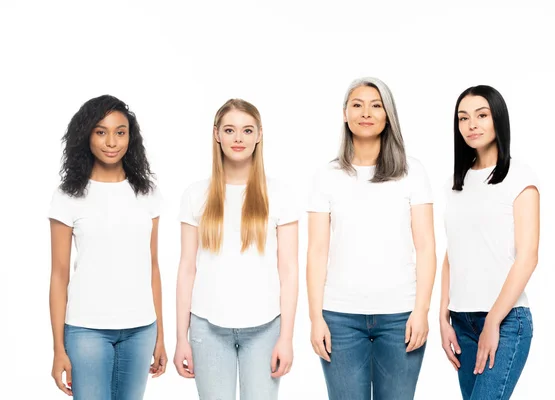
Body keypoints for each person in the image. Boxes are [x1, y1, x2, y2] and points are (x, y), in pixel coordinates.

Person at [307, 77, 436, 400]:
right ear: (345, 113)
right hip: (340, 318)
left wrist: (421, 311)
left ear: (388, 115)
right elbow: (316, 252)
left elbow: (426, 247)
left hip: (400, 317)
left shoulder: (413, 172)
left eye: (376, 105)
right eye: (358, 105)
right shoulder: (327, 176)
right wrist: (315, 318)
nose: (367, 113)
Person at [173, 99, 299, 399]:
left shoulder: (279, 194)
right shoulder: (195, 195)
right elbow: (186, 269)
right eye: (230, 130)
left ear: (259, 135)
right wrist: (181, 337)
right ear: (217, 134)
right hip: (207, 327)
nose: (238, 138)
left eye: (246, 130)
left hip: (266, 328)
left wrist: (286, 338)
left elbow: (289, 271)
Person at [49, 95, 167, 399]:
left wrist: (161, 337)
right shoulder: (68, 196)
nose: (111, 141)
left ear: (131, 136)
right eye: (101, 132)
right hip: (87, 329)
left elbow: (152, 265)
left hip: (141, 329)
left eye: (120, 131)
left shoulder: (146, 192)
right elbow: (59, 275)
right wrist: (58, 349)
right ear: (86, 135)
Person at [439, 85, 540, 399]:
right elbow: (451, 253)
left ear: (498, 119)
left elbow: (528, 257)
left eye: (481, 115)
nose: (472, 124)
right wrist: (442, 316)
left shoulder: (519, 178)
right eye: (463, 117)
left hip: (506, 320)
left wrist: (493, 321)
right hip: (461, 322)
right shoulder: (456, 183)